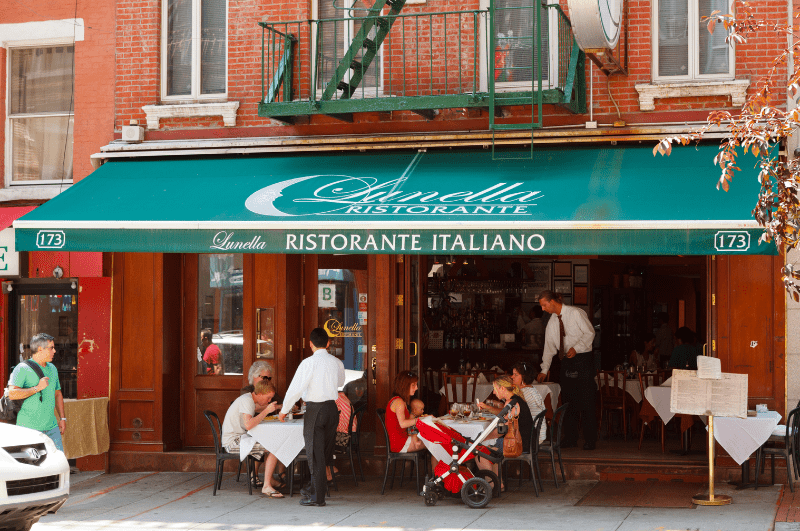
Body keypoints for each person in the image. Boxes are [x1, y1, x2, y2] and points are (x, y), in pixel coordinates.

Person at [279, 327, 345, 507]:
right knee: (324, 453)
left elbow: (295, 389)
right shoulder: (336, 362)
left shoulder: (308, 363)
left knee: (316, 455)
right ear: (328, 343)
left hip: (316, 410)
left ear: (310, 344)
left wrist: (284, 410)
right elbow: (340, 383)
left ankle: (317, 497)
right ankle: (314, 489)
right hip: (332, 409)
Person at [536, 290, 597, 450]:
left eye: (544, 305)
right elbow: (549, 348)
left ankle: (590, 440)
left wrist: (576, 348)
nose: (542, 309)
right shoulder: (552, 322)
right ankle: (570, 438)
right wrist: (544, 369)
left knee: (587, 401)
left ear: (552, 302)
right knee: (569, 402)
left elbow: (590, 333)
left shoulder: (576, 313)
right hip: (566, 362)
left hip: (583, 359)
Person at [222, 380, 284, 497]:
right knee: (275, 446)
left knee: (272, 444)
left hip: (240, 439)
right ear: (260, 394)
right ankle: (267, 486)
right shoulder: (247, 401)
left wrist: (281, 407)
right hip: (233, 443)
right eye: (268, 397)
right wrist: (267, 410)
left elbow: (257, 409)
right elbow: (249, 425)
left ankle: (269, 481)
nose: (269, 401)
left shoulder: (249, 398)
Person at [8, 333, 66, 451]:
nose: (54, 351)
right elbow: (12, 393)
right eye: (51, 348)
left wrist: (62, 418)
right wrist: (37, 388)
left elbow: (57, 394)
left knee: (58, 465)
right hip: (29, 430)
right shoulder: (22, 368)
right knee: (32, 467)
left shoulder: (52, 368)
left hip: (52, 429)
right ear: (40, 349)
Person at [475, 375, 533, 488]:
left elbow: (504, 429)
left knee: (479, 450)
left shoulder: (511, 403)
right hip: (523, 440)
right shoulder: (515, 399)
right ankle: (498, 484)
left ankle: (491, 485)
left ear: (502, 388)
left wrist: (484, 438)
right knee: (491, 447)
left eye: (495, 388)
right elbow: (504, 419)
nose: (494, 392)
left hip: (517, 444)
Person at [386, 371, 426, 453]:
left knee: (435, 440)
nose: (416, 388)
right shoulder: (399, 402)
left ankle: (438, 466)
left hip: (403, 440)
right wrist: (420, 420)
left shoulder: (400, 401)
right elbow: (403, 424)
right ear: (404, 386)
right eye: (413, 385)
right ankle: (443, 466)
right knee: (436, 442)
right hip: (401, 444)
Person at [510, 361, 546, 444]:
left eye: (516, 375)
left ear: (523, 377)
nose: (512, 377)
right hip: (539, 433)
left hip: (532, 436)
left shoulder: (524, 394)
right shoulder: (532, 389)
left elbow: (512, 415)